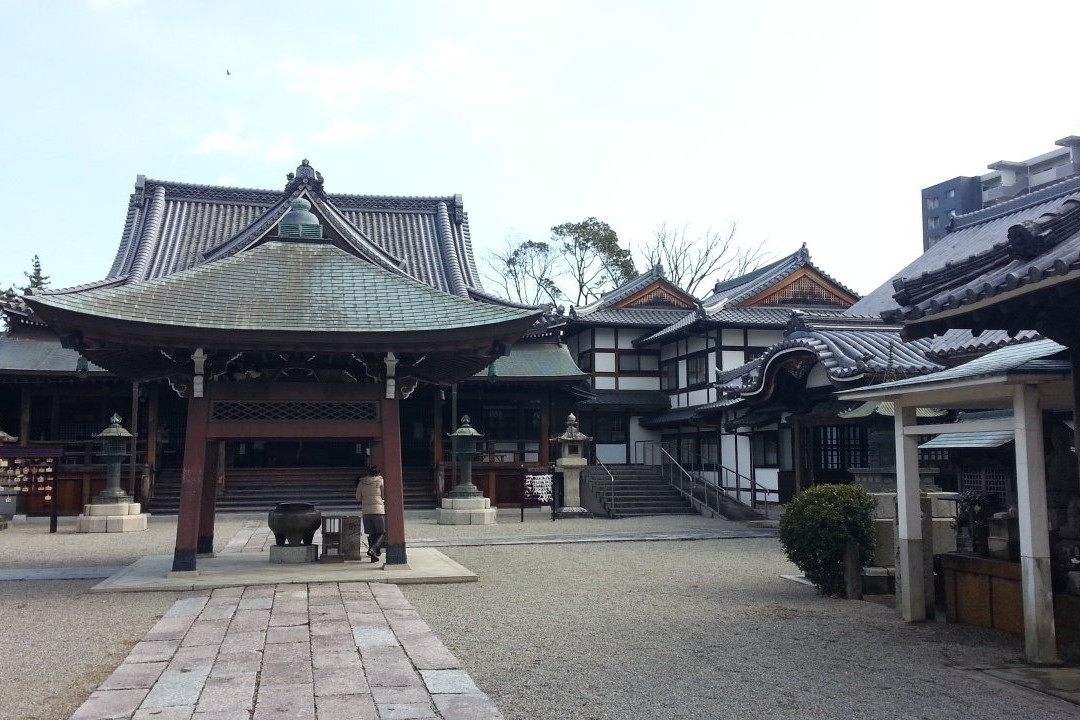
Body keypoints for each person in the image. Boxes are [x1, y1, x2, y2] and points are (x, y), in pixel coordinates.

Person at [355, 465, 386, 562]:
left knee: (371, 534)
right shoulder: (380, 480)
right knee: (381, 532)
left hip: (366, 512)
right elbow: (384, 494)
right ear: (378, 473)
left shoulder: (361, 482)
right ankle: (372, 549)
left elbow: (358, 497)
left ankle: (373, 556)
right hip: (378, 510)